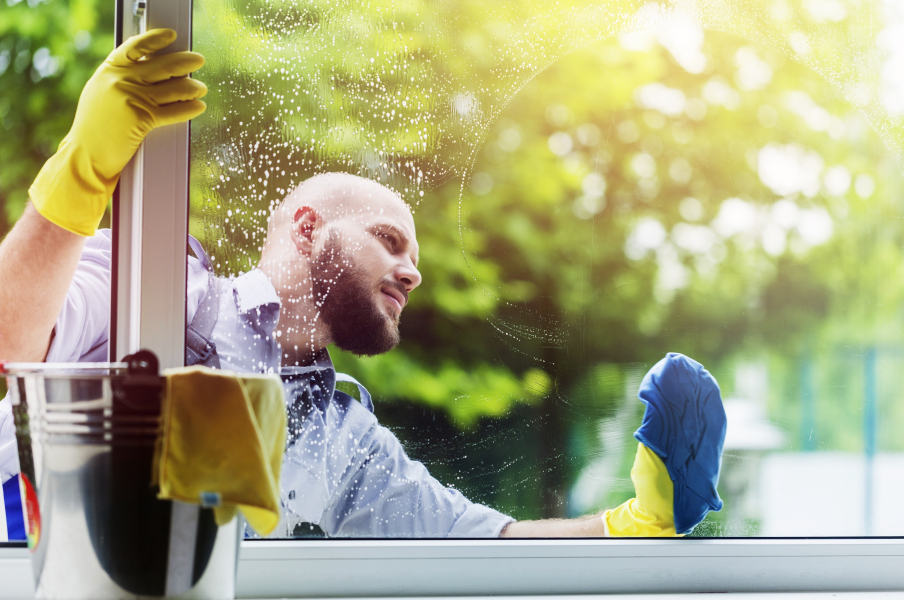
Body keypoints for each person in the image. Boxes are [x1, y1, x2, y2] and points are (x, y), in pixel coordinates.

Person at [0, 29, 724, 539]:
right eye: (389, 241)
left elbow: (483, 545)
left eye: (414, 258)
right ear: (308, 228)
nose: (413, 271)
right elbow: (10, 336)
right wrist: (81, 171)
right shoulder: (158, 287)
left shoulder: (337, 437)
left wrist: (634, 524)